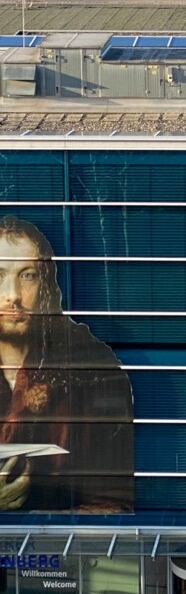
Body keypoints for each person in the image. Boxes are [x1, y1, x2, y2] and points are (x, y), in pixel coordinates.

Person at [0, 216, 133, 513]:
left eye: (28, 275)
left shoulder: (91, 370)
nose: (12, 295)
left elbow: (115, 501)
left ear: (46, 284)